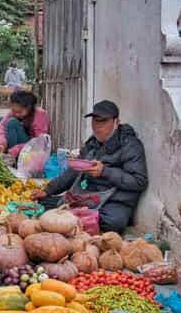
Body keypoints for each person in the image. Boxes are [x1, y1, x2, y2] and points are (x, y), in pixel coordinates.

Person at [30, 100, 148, 234]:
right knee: (43, 202)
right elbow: (73, 172)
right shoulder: (93, 143)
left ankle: (75, 219)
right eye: (94, 121)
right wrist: (48, 190)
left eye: (102, 121)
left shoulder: (130, 145)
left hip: (114, 201)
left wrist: (105, 171)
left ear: (116, 122)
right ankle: (76, 218)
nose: (97, 126)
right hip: (89, 197)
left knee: (113, 222)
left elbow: (139, 181)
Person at [0, 90, 49, 159]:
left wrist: (17, 149)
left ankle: (14, 159)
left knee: (12, 123)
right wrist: (2, 143)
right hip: (17, 145)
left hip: (30, 148)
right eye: (13, 110)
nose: (16, 114)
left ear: (29, 107)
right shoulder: (14, 112)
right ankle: (3, 152)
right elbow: (1, 125)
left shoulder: (40, 115)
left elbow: (39, 142)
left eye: (19, 112)